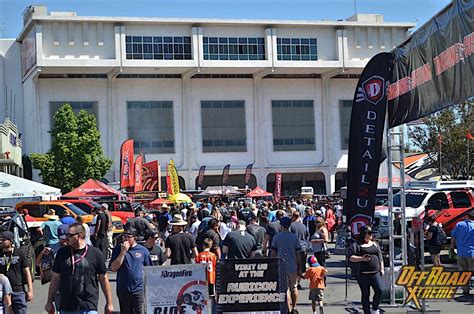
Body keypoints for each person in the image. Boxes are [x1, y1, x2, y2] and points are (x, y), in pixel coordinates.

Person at [45, 223, 114, 314]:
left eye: (69, 235)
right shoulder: (62, 253)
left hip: (88, 305)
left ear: (79, 235)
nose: (67, 237)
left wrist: (109, 303)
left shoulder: (95, 254)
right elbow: (55, 278)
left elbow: (103, 278)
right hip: (66, 306)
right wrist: (49, 301)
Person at [110, 227, 152, 314]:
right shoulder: (118, 249)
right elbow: (114, 268)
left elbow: (149, 270)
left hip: (138, 289)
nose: (125, 239)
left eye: (128, 237)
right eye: (123, 236)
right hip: (123, 289)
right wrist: (123, 252)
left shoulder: (143, 251)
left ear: (135, 238)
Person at [349, 226, 384, 314]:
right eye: (370, 233)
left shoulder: (375, 243)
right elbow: (351, 257)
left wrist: (382, 268)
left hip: (375, 273)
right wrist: (361, 258)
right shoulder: (357, 245)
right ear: (365, 234)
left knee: (379, 290)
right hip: (362, 274)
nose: (372, 235)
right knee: (365, 293)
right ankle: (367, 312)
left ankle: (375, 309)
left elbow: (380, 256)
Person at [271, 217, 302, 314]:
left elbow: (273, 253)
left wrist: (272, 264)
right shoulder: (294, 237)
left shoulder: (277, 237)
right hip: (293, 265)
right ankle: (294, 308)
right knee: (294, 287)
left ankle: (288, 309)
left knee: (285, 289)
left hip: (281, 265)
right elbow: (298, 254)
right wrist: (300, 267)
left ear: (281, 225)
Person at [0, 231, 33, 314]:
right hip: (3, 292)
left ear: (11, 241)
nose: (1, 241)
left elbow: (27, 271)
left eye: (4, 240)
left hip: (18, 290)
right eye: (0, 239)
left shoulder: (19, 253)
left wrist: (30, 290)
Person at [450, 209, 474, 296]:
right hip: (472, 252)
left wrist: (452, 247)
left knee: (463, 273)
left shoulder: (459, 225)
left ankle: (465, 290)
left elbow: (453, 236)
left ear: (467, 216)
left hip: (461, 252)